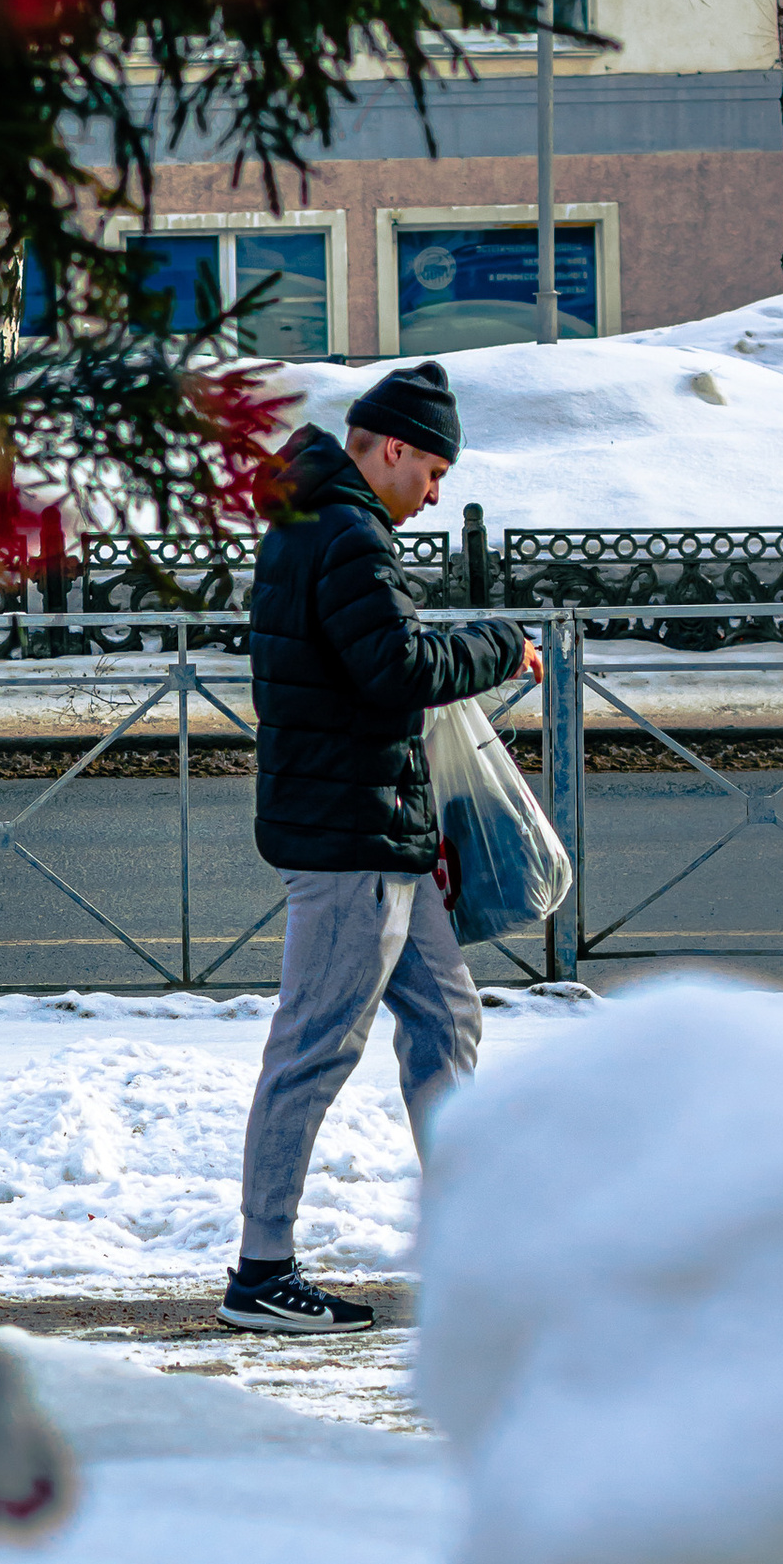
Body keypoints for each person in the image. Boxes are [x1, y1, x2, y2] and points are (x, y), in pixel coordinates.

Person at [222, 356, 536, 1334]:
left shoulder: (316, 522)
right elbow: (392, 667)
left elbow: (361, 659)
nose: (436, 495)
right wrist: (493, 643)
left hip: (375, 832)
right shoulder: (347, 531)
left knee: (447, 1026)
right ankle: (261, 1273)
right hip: (349, 839)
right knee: (312, 1051)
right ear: (390, 448)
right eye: (434, 472)